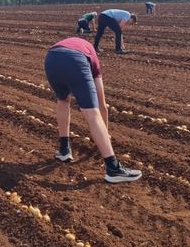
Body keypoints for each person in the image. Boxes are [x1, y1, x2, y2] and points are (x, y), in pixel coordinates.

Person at [45, 37, 141, 183]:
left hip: (51, 58)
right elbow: (102, 105)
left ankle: (64, 150)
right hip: (74, 60)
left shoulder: (76, 45)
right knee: (92, 112)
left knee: (63, 101)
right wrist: (105, 134)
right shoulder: (92, 56)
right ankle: (113, 168)